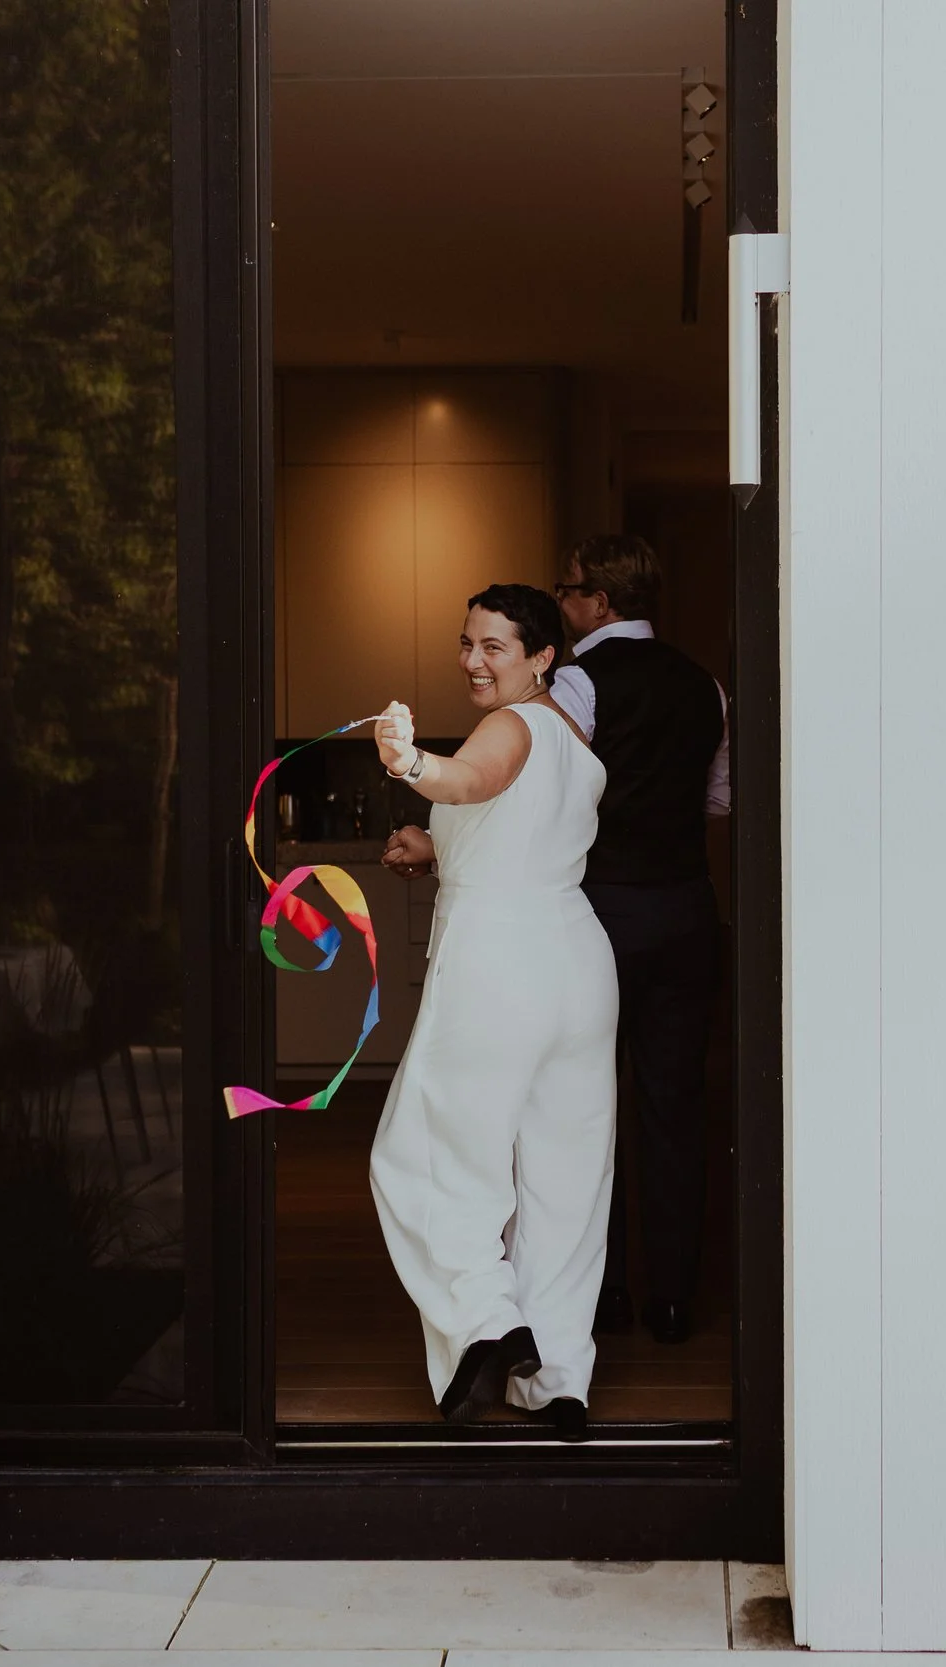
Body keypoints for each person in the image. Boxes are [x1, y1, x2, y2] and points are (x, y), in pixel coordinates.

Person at [368, 583, 617, 1441]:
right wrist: (436, 847)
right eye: (466, 642)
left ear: (542, 655)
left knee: (427, 1155)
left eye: (494, 646)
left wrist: (409, 763)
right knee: (566, 1181)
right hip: (576, 962)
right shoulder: (569, 732)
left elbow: (471, 777)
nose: (473, 660)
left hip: (497, 962)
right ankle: (560, 1378)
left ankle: (486, 1322)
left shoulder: (507, 725)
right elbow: (516, 831)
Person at [548, 533, 729, 1346]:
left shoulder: (577, 681)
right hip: (687, 910)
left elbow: (553, 791)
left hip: (600, 911)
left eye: (568, 589)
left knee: (590, 1104)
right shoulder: (705, 684)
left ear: (599, 601)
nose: (562, 601)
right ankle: (675, 1298)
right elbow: (719, 800)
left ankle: (606, 1292)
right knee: (675, 1104)